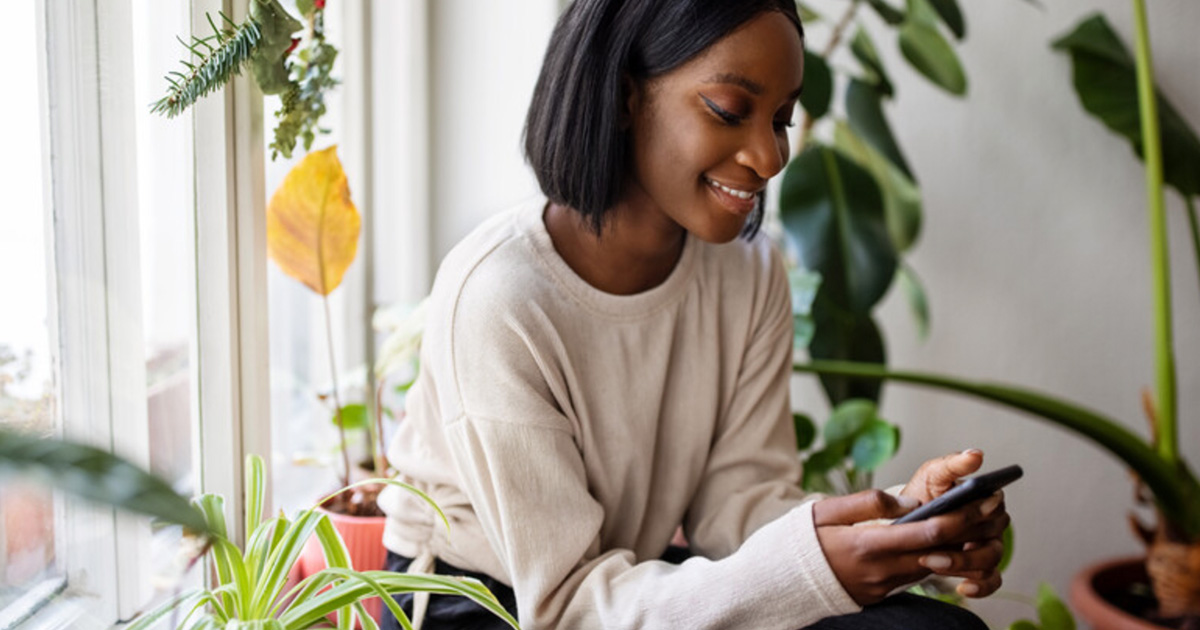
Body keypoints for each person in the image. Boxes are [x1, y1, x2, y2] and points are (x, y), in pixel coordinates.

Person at [377, 0, 1009, 628]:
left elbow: (739, 511)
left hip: (621, 585)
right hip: (480, 604)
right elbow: (568, 604)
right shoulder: (500, 297)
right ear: (626, 95)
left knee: (935, 629)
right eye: (730, 111)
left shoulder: (749, 274)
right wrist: (813, 568)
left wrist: (897, 521)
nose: (769, 157)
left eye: (782, 119)